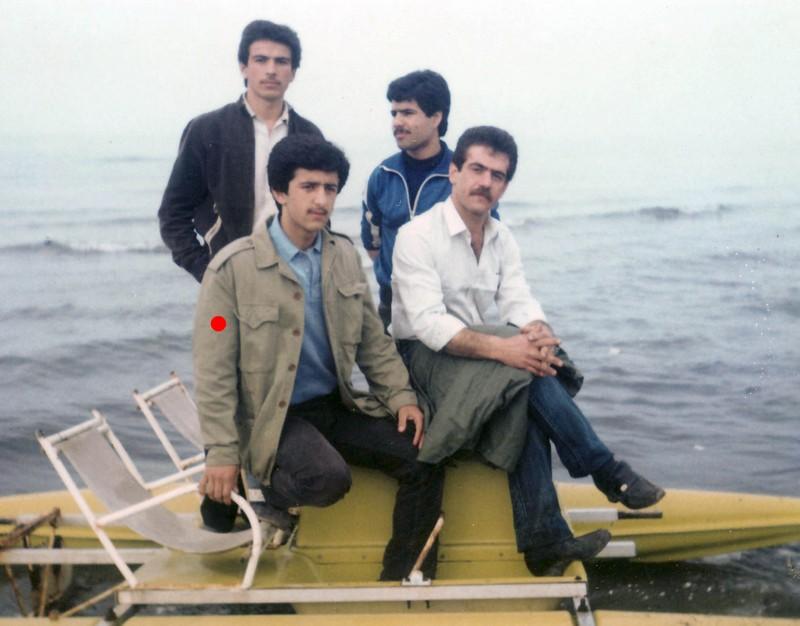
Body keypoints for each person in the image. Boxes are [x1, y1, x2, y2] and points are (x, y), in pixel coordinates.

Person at [391, 126, 665, 577]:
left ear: (505, 185)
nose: (485, 182)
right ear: (454, 172)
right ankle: (606, 471)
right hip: (424, 358)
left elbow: (518, 300)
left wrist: (537, 333)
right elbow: (427, 323)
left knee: (526, 384)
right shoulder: (417, 235)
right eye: (477, 169)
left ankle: (545, 543)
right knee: (523, 373)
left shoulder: (501, 237)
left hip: (479, 355)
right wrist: (506, 350)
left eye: (497, 176)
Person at [193, 134, 444, 581]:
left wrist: (401, 397)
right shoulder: (231, 270)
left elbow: (371, 339)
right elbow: (213, 371)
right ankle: (258, 490)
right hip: (271, 420)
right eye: (308, 187)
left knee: (423, 454)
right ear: (279, 192)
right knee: (328, 479)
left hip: (331, 408)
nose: (322, 200)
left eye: (330, 188)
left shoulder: (343, 256)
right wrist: (222, 453)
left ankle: (405, 576)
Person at [159, 19, 323, 283]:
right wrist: (208, 271)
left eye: (281, 62)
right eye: (261, 60)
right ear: (243, 67)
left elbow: (319, 210)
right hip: (230, 277)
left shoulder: (309, 135)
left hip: (295, 278)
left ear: (293, 72)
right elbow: (173, 214)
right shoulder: (208, 130)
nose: (271, 70)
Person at [362, 70, 502, 329]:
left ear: (436, 117)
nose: (397, 122)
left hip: (453, 311)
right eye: (394, 113)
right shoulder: (382, 175)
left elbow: (488, 246)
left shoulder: (468, 177)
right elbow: (373, 242)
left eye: (408, 113)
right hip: (394, 308)